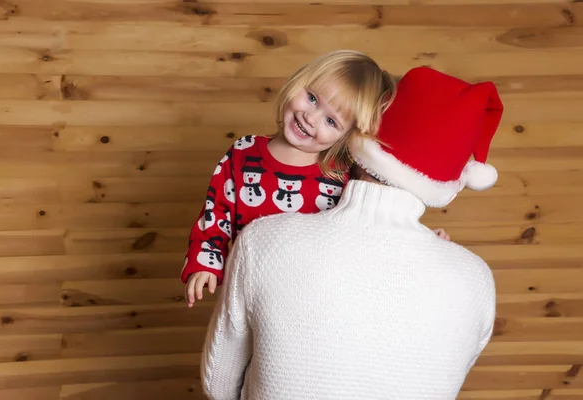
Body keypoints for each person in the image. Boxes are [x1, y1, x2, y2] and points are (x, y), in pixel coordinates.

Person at [200, 66, 503, 399]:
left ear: (357, 137)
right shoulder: (476, 278)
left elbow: (220, 385)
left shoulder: (262, 242)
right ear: (453, 179)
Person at [181, 50, 450, 308]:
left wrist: (423, 238)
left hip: (318, 294)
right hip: (250, 290)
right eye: (312, 98)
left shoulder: (344, 172)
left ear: (347, 136)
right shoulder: (243, 153)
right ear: (299, 81)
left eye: (331, 122)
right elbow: (216, 214)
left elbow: (375, 221)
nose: (310, 118)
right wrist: (205, 263)